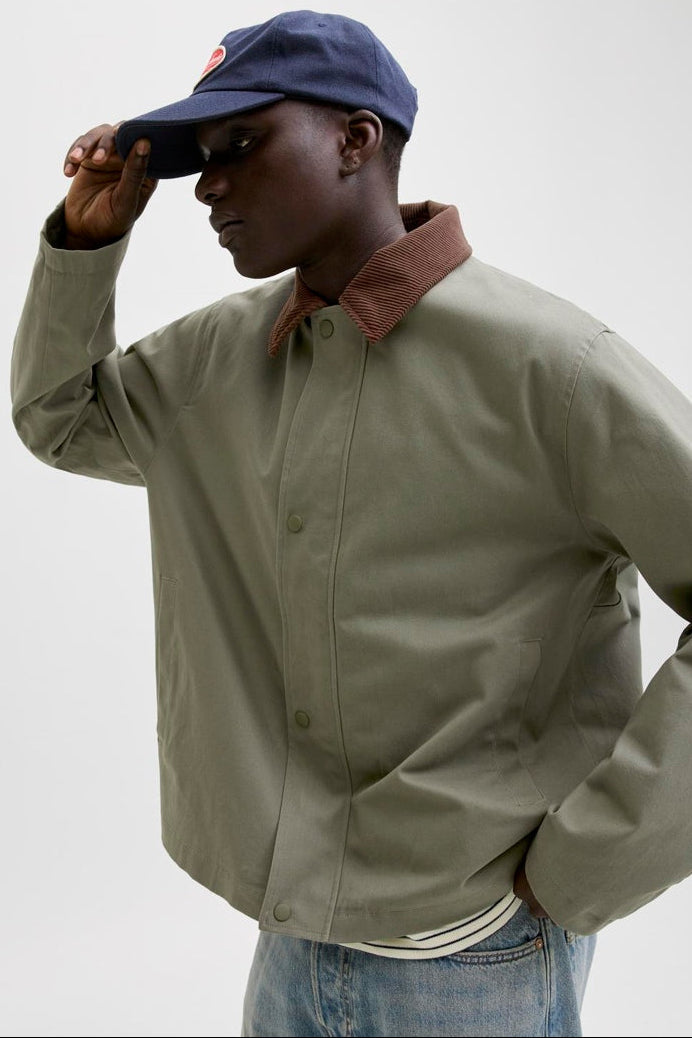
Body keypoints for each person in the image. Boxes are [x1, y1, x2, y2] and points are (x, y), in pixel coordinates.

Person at [10, 9, 692, 1037]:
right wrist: (88, 241)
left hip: (477, 953)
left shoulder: (551, 367)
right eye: (202, 158)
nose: (207, 186)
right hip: (290, 938)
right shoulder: (215, 359)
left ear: (355, 138)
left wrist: (591, 863)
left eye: (239, 144)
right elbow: (59, 418)